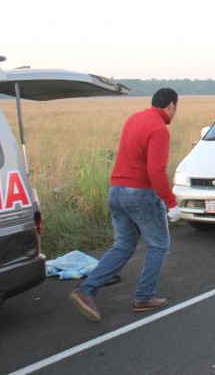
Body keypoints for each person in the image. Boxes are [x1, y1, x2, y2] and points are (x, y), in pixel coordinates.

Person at [69, 88, 181, 322]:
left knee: (123, 246)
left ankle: (86, 290)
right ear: (171, 105)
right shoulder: (159, 129)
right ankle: (143, 297)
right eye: (175, 108)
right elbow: (155, 170)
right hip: (140, 193)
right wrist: (171, 203)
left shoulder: (134, 119)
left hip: (115, 191)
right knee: (159, 244)